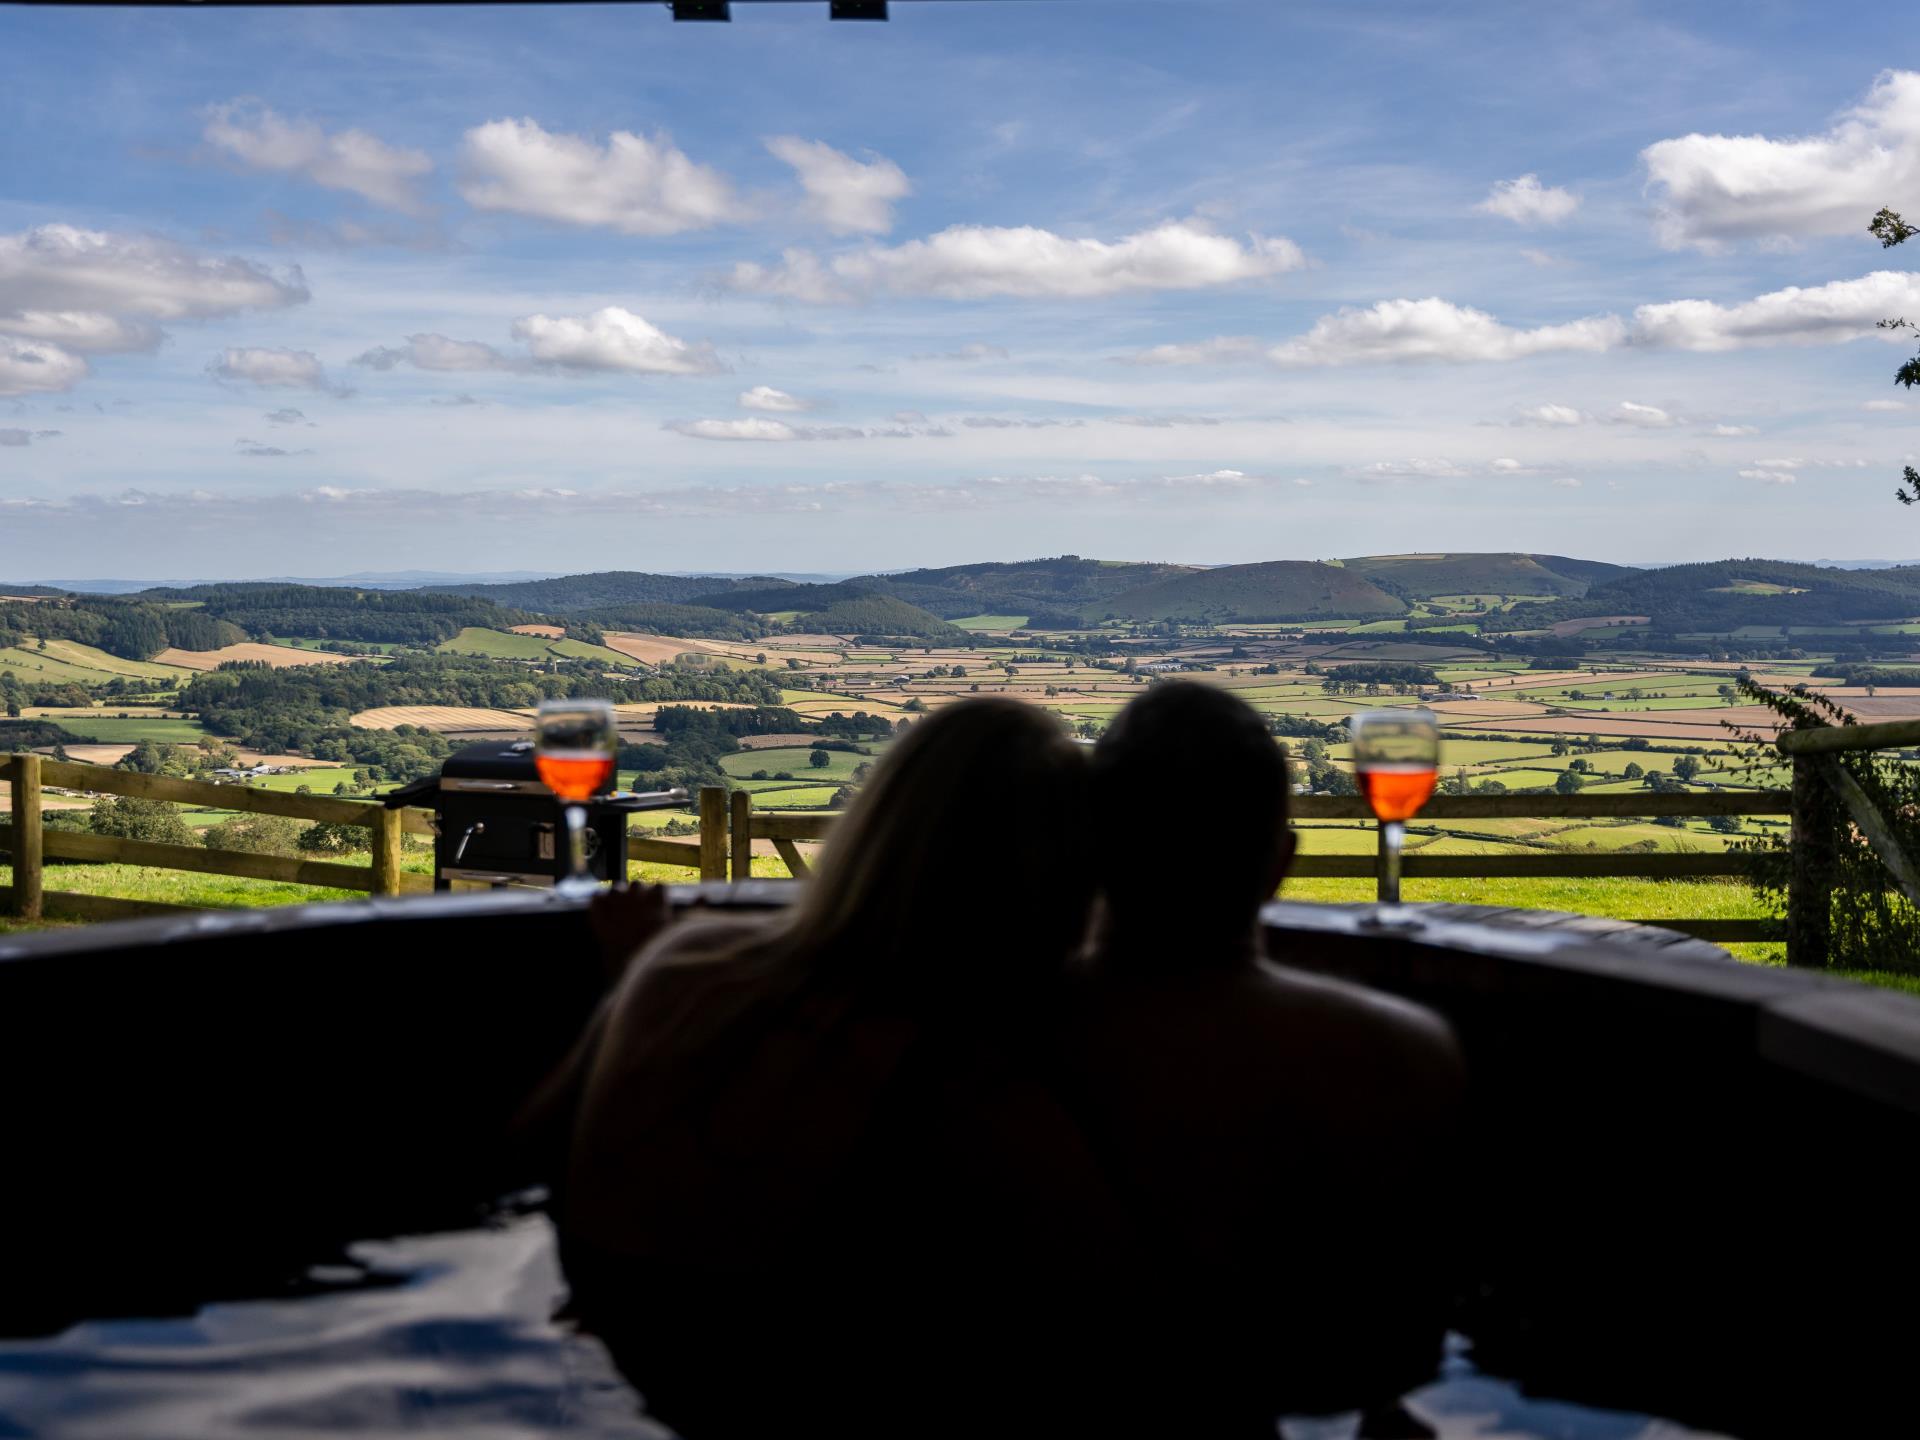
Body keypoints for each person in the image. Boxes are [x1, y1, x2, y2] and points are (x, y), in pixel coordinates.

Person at [541, 698, 1131, 1439]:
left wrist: (627, 988)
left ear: (874, 827)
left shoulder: (683, 968)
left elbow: (528, 1151)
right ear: (1070, 876)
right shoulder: (1000, 1100)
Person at [1056, 681, 1465, 1438]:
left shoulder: (987, 1034)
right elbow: (1397, 1359)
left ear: (1087, 844)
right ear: (1280, 862)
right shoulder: (1400, 1057)